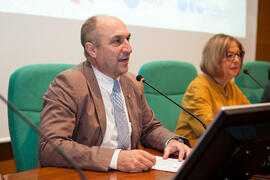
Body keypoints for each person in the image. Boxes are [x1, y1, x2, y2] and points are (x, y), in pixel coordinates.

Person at [38, 15, 191, 172]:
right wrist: (115, 159)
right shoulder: (69, 83)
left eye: (128, 39)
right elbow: (50, 147)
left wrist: (170, 141)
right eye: (117, 41)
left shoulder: (132, 82)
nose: (128, 49)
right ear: (92, 50)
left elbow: (149, 127)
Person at [175, 34, 250, 140]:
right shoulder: (198, 88)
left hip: (223, 146)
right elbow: (211, 130)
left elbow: (249, 118)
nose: (237, 60)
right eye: (230, 55)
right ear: (214, 57)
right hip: (191, 150)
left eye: (239, 54)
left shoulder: (230, 85)